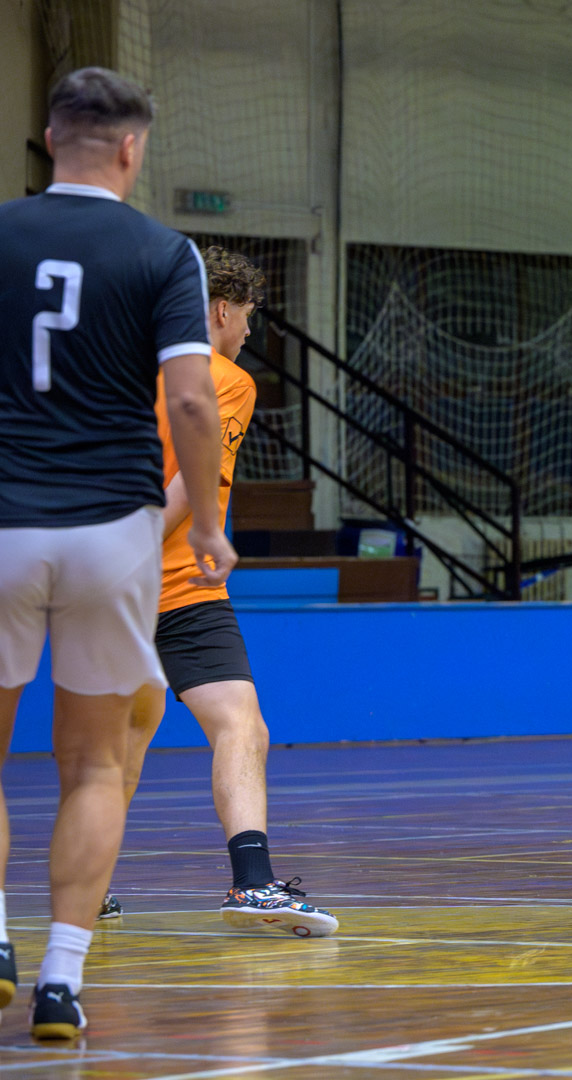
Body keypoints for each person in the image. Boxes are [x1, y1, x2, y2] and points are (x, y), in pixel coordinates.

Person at [0, 67, 237, 1038]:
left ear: (49, 137)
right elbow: (190, 400)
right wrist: (209, 526)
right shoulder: (165, 253)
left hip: (2, 522)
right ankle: (61, 979)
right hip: (113, 530)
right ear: (133, 148)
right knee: (96, 765)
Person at [104, 247, 337, 938]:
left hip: (105, 586)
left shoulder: (122, 364)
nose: (248, 332)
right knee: (238, 724)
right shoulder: (223, 377)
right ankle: (252, 883)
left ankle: (88, 885)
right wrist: (135, 554)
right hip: (173, 584)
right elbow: (190, 478)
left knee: (127, 744)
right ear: (220, 310)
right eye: (247, 317)